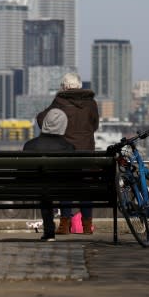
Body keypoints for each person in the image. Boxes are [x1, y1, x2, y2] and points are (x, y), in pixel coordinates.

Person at [36, 72, 99, 235]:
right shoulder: (91, 103)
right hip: (87, 154)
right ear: (79, 86)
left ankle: (64, 224)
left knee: (65, 186)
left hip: (65, 153)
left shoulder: (59, 102)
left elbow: (43, 121)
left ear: (64, 87)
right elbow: (95, 125)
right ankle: (87, 226)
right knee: (85, 188)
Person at [23, 109, 75, 242]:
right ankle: (52, 230)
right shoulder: (69, 147)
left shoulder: (30, 145)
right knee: (50, 188)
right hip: (62, 189)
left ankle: (49, 231)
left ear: (45, 123)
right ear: (63, 126)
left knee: (44, 190)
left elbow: (22, 173)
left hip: (36, 189)